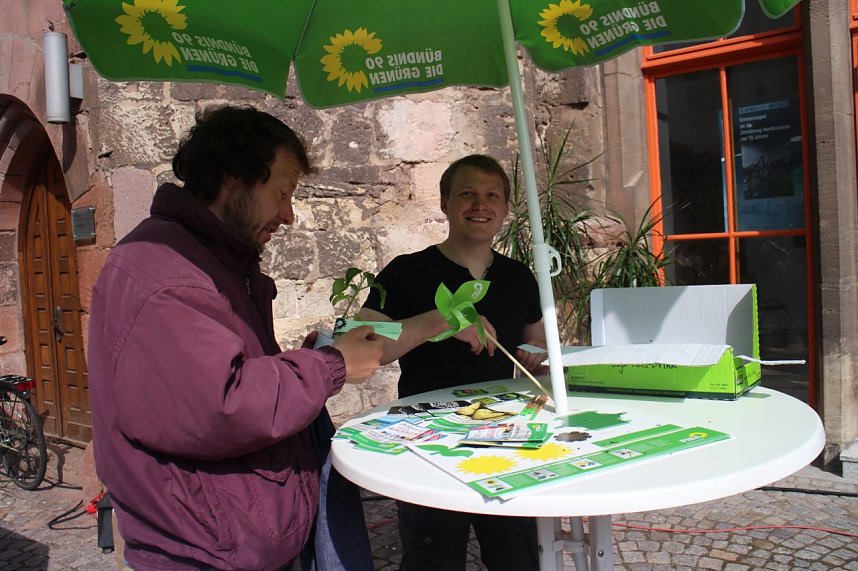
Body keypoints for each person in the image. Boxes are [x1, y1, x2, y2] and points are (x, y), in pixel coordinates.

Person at [87, 104, 384, 571]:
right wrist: (329, 366)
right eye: (282, 192)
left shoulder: (213, 260)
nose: (289, 215)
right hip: (204, 553)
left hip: (231, 542)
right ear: (232, 177)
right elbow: (221, 405)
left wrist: (306, 359)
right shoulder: (166, 271)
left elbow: (217, 377)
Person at [359, 154, 546, 571]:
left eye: (491, 195)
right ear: (444, 203)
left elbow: (535, 342)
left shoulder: (519, 278)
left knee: (516, 555)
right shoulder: (407, 273)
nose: (480, 205)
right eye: (467, 194)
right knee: (433, 557)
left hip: (504, 439)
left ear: (504, 208)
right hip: (429, 444)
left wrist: (542, 360)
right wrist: (439, 319)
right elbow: (364, 343)